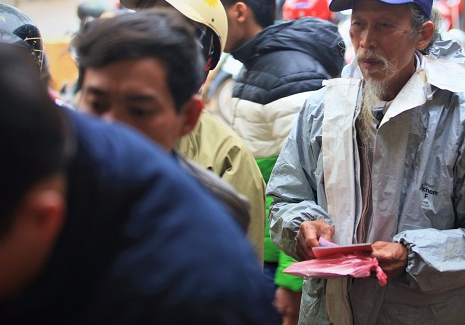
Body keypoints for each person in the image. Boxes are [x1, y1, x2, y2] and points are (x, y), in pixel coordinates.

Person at [267, 0, 465, 324]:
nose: (366, 41)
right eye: (358, 25)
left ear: (423, 35)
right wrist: (303, 225)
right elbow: (286, 197)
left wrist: (412, 255)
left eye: (384, 26)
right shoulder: (322, 109)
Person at [0, 43, 278, 324]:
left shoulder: (197, 284)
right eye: (96, 103)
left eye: (140, 110)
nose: (113, 123)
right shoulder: (43, 144)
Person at [201, 0, 345, 324]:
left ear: (238, 12)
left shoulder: (287, 76)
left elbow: (312, 184)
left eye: (211, 10)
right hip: (261, 250)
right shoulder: (255, 62)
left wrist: (289, 280)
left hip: (280, 261)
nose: (206, 24)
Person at [119, 0, 267, 263]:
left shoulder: (228, 156)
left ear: (205, 55)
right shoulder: (95, 126)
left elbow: (237, 277)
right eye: (144, 26)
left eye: (172, 33)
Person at [71, 10, 251, 233]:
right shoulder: (47, 189)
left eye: (138, 111)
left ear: (187, 117)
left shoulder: (213, 226)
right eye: (97, 105)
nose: (111, 127)